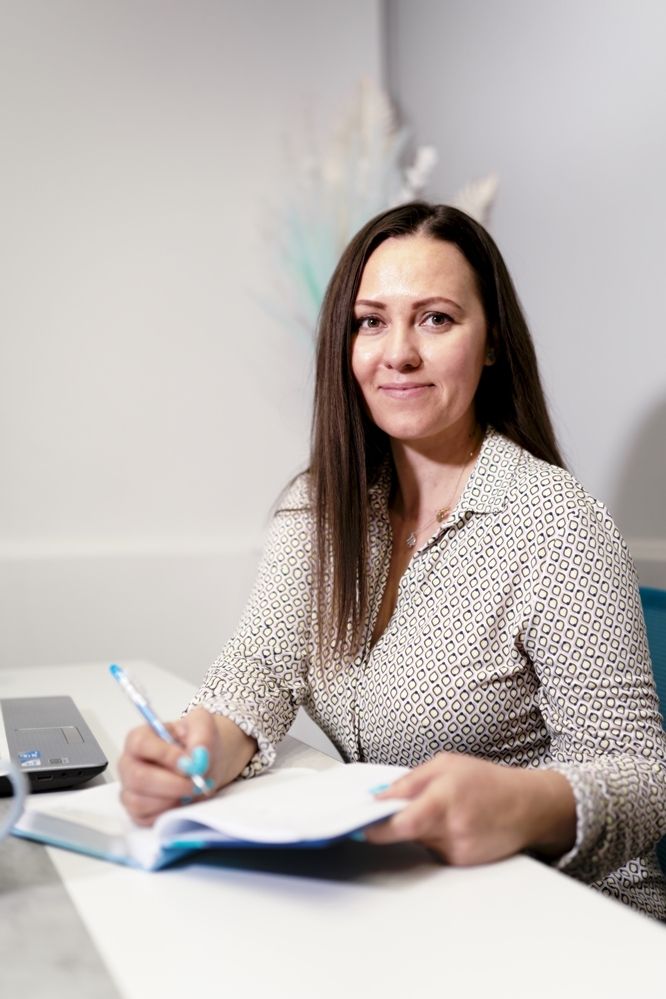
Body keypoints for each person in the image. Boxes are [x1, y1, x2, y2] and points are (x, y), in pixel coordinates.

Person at [118, 202, 666, 918]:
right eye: (371, 322)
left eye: (435, 319)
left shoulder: (554, 521)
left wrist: (520, 803)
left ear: (491, 344)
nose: (398, 353)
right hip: (414, 900)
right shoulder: (320, 505)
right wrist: (199, 749)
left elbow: (644, 777)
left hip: (573, 914)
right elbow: (262, 669)